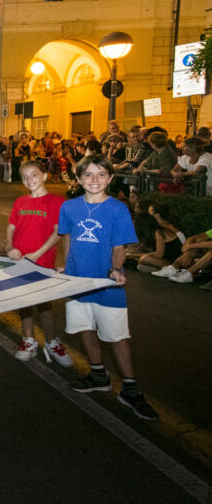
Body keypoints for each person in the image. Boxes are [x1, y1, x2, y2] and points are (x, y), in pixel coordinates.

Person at [57, 154, 157, 420]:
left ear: (110, 178)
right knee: (84, 328)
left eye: (101, 174)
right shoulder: (68, 207)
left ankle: (130, 389)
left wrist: (115, 269)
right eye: (88, 174)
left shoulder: (117, 209)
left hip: (107, 282)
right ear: (78, 178)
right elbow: (66, 238)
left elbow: (119, 246)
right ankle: (98, 375)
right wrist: (65, 265)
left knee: (116, 336)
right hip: (78, 281)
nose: (94, 180)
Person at [4, 161, 72, 366]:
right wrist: (9, 247)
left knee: (44, 304)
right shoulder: (20, 202)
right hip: (20, 262)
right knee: (24, 302)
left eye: (34, 175)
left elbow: (58, 232)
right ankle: (28, 341)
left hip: (42, 261)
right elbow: (11, 228)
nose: (29, 180)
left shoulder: (56, 202)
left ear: (45, 176)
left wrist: (37, 254)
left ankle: (52, 342)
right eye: (25, 177)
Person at [135, 205, 187, 274]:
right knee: (141, 257)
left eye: (150, 213)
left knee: (144, 258)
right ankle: (157, 269)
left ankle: (167, 270)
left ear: (157, 214)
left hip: (174, 263)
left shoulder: (162, 230)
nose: (149, 215)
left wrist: (137, 255)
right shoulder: (166, 226)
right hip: (172, 260)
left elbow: (159, 254)